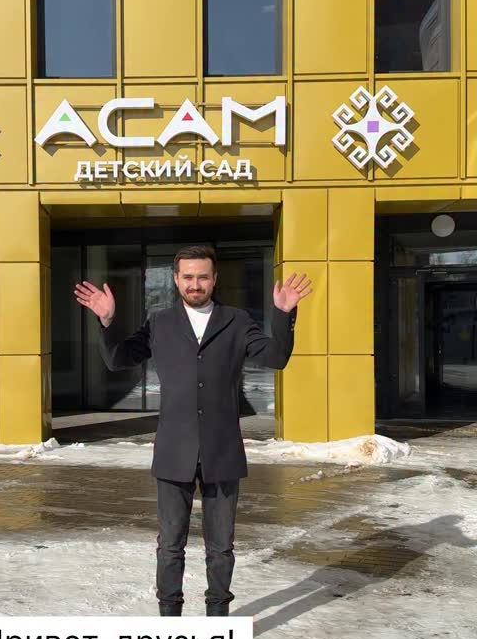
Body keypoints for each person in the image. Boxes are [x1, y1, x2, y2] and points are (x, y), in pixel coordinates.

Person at [74, 244, 311, 617]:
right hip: (173, 450)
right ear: (175, 279)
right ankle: (171, 625)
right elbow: (118, 359)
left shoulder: (236, 321)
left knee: (221, 549)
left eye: (202, 276)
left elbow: (276, 357)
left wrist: (283, 314)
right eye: (188, 276)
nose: (195, 284)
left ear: (215, 278)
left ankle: (217, 625)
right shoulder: (160, 323)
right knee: (170, 546)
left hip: (223, 451)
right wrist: (107, 320)